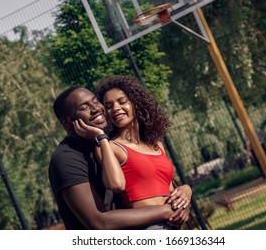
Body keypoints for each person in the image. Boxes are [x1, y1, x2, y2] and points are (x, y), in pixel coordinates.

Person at [48, 86, 190, 230]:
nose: (96, 108)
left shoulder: (110, 140)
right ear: (66, 122)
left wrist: (183, 196)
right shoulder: (66, 159)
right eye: (84, 107)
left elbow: (151, 181)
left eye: (95, 101)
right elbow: (99, 222)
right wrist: (166, 211)